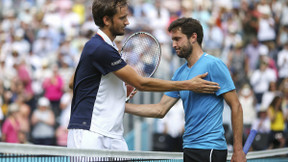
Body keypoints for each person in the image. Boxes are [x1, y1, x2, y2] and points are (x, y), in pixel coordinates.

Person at [67, 0, 220, 151]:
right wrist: (188, 85)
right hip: (90, 132)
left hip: (111, 134)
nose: (127, 22)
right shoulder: (99, 48)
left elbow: (73, 83)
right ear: (106, 20)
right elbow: (142, 83)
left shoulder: (103, 47)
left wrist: (113, 95)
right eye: (122, 18)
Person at [125, 17, 246, 162]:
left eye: (178, 39)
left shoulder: (214, 64)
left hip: (210, 148)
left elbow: (236, 106)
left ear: (193, 37)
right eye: (173, 40)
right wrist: (123, 107)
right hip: (188, 147)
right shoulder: (179, 73)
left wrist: (238, 150)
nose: (174, 44)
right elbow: (159, 109)